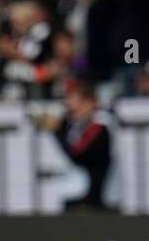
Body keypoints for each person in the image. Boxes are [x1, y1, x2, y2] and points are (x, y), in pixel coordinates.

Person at [36, 78, 113, 212]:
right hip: (81, 195)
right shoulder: (79, 127)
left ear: (91, 103)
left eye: (78, 105)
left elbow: (78, 155)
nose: (72, 108)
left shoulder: (100, 126)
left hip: (97, 200)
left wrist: (57, 131)